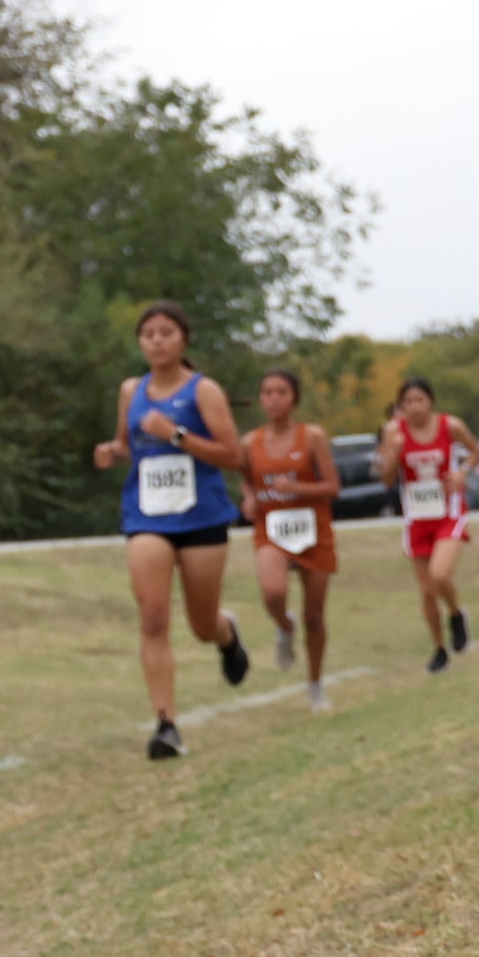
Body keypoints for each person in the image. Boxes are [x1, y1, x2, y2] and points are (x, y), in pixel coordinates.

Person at [91, 301, 250, 759]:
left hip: (201, 517)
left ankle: (227, 634)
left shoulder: (204, 392)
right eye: (148, 334)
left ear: (183, 339)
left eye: (166, 333)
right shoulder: (131, 390)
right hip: (147, 517)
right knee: (153, 617)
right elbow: (129, 444)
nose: (156, 341)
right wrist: (112, 452)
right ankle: (166, 725)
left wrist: (176, 434)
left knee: (202, 624)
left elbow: (233, 456)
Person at [239, 369, 340, 710]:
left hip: (313, 530)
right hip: (272, 528)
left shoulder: (311, 436)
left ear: (294, 397)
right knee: (272, 592)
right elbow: (245, 480)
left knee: (315, 617)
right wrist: (249, 498)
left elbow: (332, 487)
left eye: (281, 392)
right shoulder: (249, 442)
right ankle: (284, 626)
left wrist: (296, 487)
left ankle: (315, 684)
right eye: (267, 392)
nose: (274, 399)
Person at [378, 378, 479, 673]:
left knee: (439, 574)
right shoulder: (394, 433)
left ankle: (457, 614)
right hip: (417, 516)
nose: (414, 407)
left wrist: (462, 472)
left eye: (419, 400)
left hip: (449, 511)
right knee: (426, 591)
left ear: (430, 401)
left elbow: (475, 451)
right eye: (408, 402)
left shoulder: (450, 426)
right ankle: (439, 649)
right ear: (401, 407)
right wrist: (393, 451)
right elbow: (385, 479)